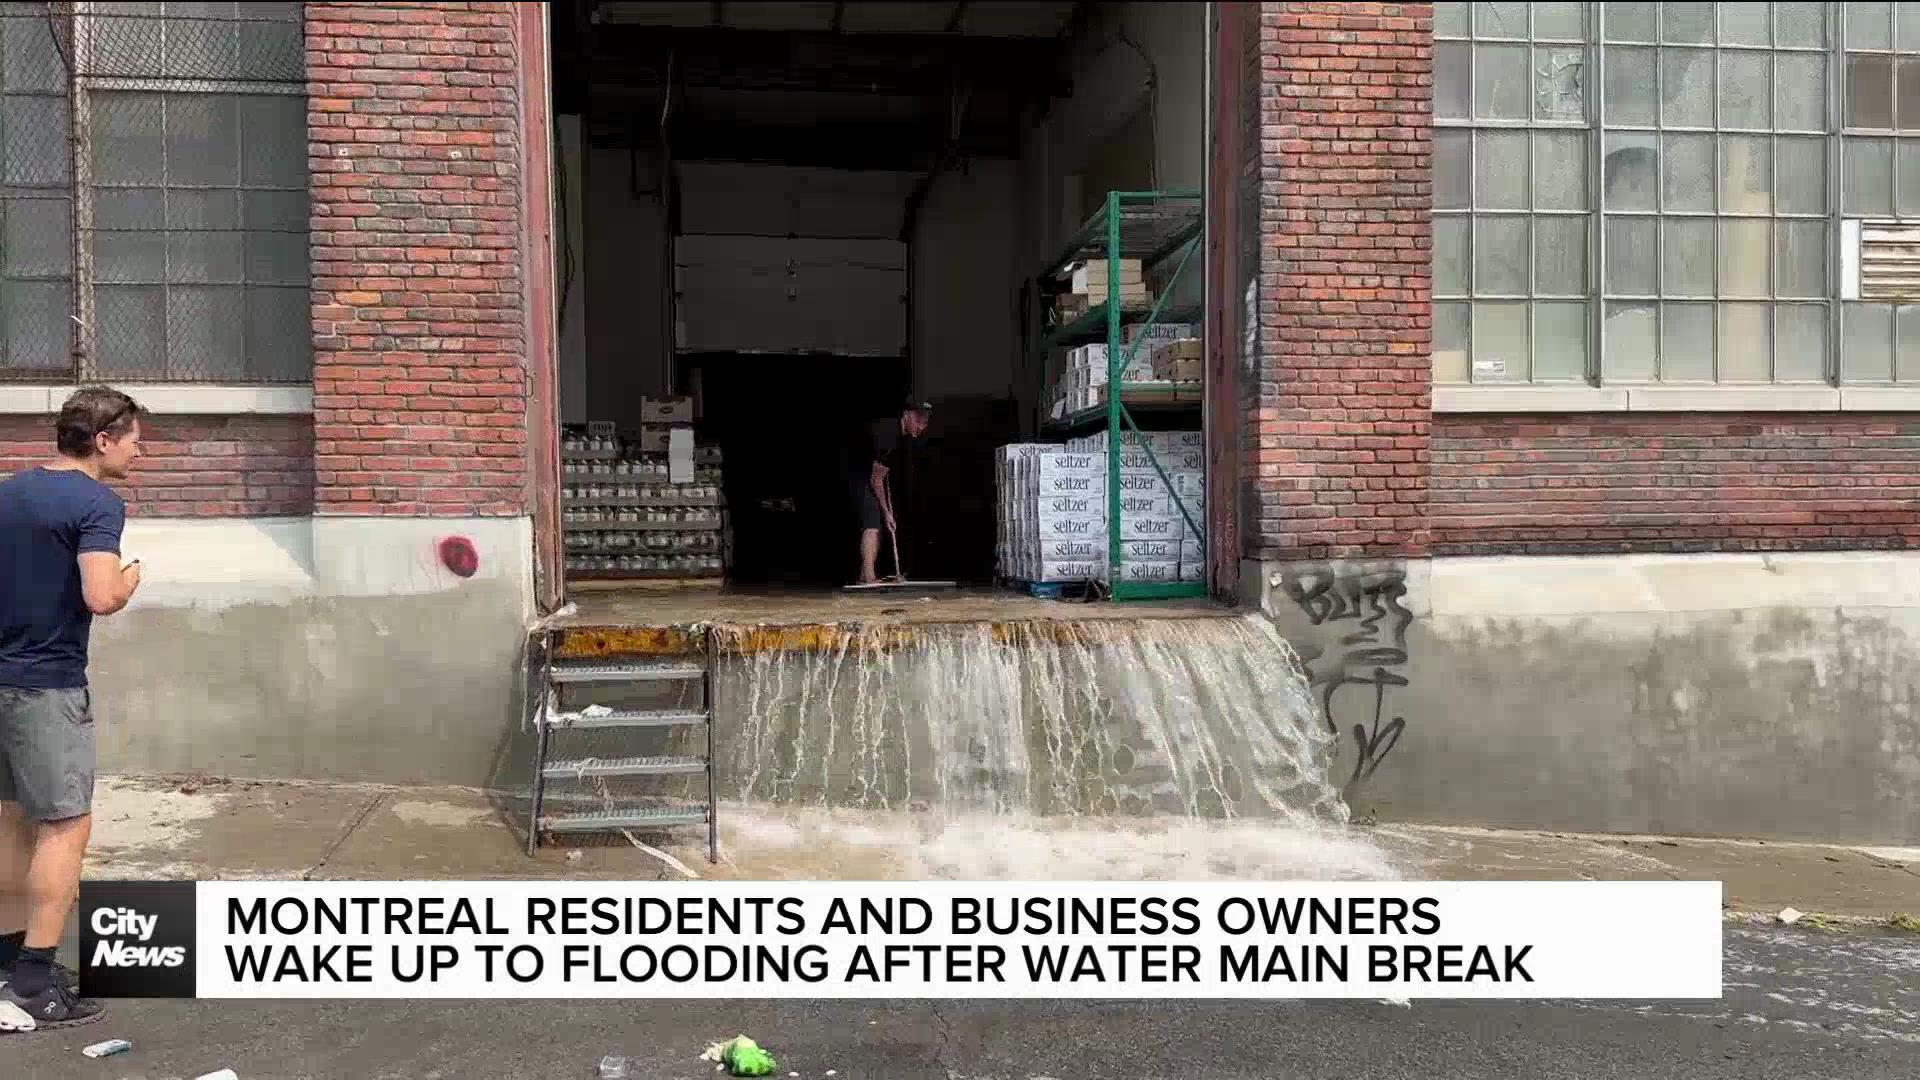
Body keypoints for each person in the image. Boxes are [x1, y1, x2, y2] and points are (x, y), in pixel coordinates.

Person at [0, 386, 144, 1031]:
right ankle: (32, 982)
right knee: (64, 825)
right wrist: (130, 578)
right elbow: (101, 595)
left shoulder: (8, 491)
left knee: (8, 819)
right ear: (104, 440)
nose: (141, 452)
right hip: (46, 686)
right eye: (136, 439)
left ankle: (7, 960)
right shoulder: (97, 502)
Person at [844, 399, 931, 584]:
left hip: (864, 472)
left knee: (876, 522)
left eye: (925, 423)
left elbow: (880, 475)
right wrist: (887, 513)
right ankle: (868, 577)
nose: (922, 426)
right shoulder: (889, 435)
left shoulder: (895, 435)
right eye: (919, 420)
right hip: (854, 472)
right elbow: (876, 480)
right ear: (907, 415)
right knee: (872, 519)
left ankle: (864, 575)